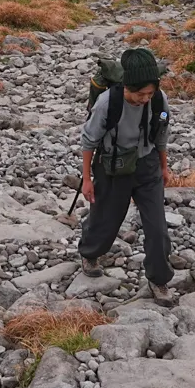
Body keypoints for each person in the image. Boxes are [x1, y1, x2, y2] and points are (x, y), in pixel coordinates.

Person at [78, 46, 174, 302]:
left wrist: (164, 166)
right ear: (127, 86)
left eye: (149, 93)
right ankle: (90, 253)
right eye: (140, 93)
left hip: (147, 165)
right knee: (106, 217)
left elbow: (162, 131)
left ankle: (159, 280)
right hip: (112, 166)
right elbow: (88, 140)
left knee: (157, 228)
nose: (145, 98)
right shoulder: (108, 102)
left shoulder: (159, 101)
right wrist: (87, 179)